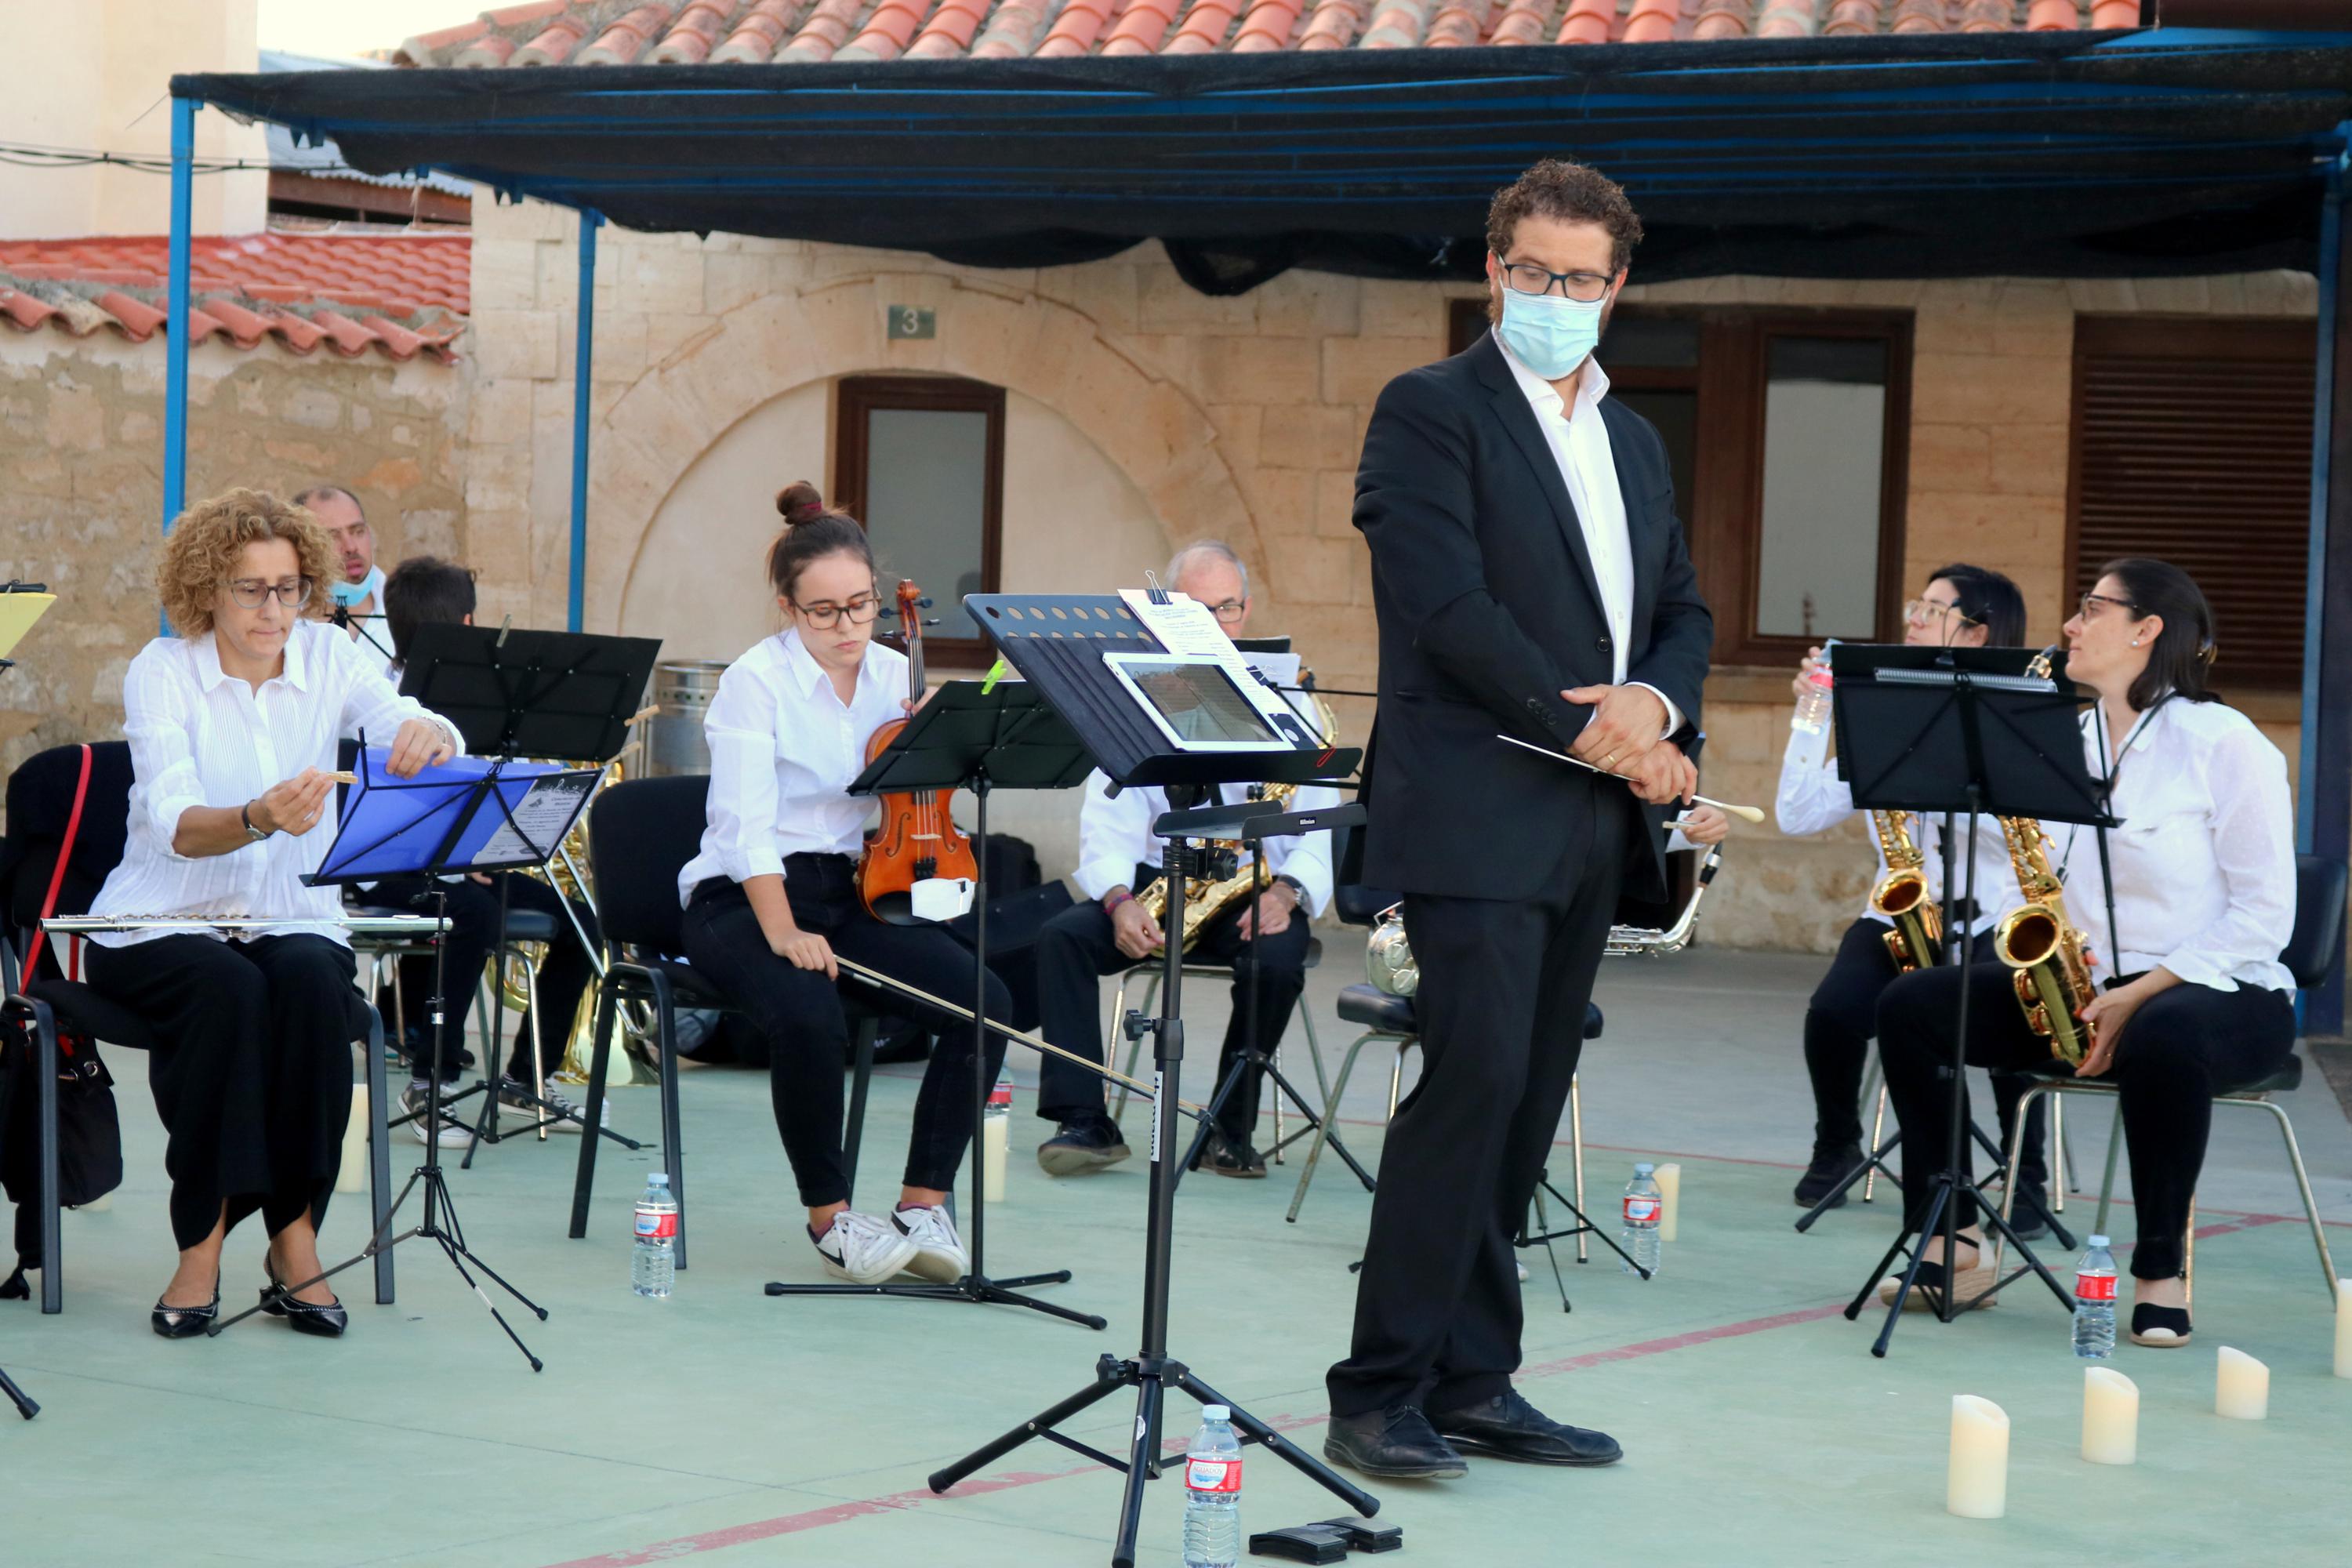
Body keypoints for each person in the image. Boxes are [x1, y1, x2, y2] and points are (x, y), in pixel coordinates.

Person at [1326, 159, 1712, 1479]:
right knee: (1472, 1084)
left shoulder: (1635, 439)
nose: (1558, 296)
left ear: (1619, 290)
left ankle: (1477, 1378)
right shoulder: (1429, 412)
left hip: (1592, 822)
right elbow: (1445, 610)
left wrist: (1657, 705)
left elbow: (1684, 612)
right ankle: (1380, 1386)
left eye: (1583, 279)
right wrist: (1593, 727)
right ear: (1494, 271)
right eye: (1535, 272)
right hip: (1478, 801)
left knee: (1532, 1095)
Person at [1871, 559, 2293, 1348]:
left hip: (2219, 991)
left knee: (2165, 1034)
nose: (2069, 624)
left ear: (2146, 630)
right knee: (1913, 1006)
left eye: (2091, 609)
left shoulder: (2227, 745)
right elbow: (2030, 881)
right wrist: (2037, 963)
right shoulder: (2059, 733)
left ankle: (2160, 1271)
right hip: (2087, 986)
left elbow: (2264, 915)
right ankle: (1954, 1240)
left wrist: (2139, 992)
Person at [80, 488, 462, 1339]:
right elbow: (175, 824)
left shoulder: (330, 653)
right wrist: (256, 816)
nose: (274, 608)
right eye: (251, 588)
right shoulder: (164, 668)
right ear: (207, 588)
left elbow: (407, 713)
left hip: (293, 912)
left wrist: (427, 731)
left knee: (311, 988)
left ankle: (296, 1237)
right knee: (226, 989)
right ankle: (202, 1243)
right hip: (161, 916)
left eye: (288, 587)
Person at [677, 481, 1015, 1287]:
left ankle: (922, 1203)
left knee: (986, 999)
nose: (847, 626)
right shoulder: (755, 683)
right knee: (807, 1009)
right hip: (740, 894)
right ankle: (830, 1218)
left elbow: (907, 803)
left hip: (853, 887)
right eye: (823, 611)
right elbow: (745, 827)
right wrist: (784, 930)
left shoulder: (897, 677)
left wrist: (940, 749)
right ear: (789, 608)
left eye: (859, 605)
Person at [1029, 541, 1339, 1180]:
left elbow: (1319, 827)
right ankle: (1083, 1118)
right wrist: (1117, 901)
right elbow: (1107, 823)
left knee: (1275, 963)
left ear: (1246, 611)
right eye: (1193, 610)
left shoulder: (1296, 705)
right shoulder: (1134, 698)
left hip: (1257, 888)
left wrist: (1286, 895)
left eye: (1224, 608)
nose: (1212, 623)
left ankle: (1232, 1129)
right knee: (1061, 938)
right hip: (1160, 881)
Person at [1775, 566, 2053, 1224]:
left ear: (1977, 632)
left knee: (2013, 1020)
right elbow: (1797, 814)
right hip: (1905, 910)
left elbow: (2041, 838)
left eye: (1931, 609)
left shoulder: (2026, 719)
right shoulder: (1885, 715)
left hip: (1998, 912)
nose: (1913, 620)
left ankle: (2027, 1176)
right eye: (1915, 606)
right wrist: (1814, 714)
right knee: (1835, 1012)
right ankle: (1836, 1145)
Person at [374, 555, 607, 1144]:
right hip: (390, 868)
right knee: (467, 917)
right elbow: (382, 813)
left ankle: (529, 1075)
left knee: (584, 924)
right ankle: (432, 1080)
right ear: (471, 623)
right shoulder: (379, 698)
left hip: (472, 863)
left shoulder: (484, 699)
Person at [292, 485, 385, 649]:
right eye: (332, 536)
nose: (350, 547)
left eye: (358, 531)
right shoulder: (285, 622)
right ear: (301, 547)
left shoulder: (408, 610)